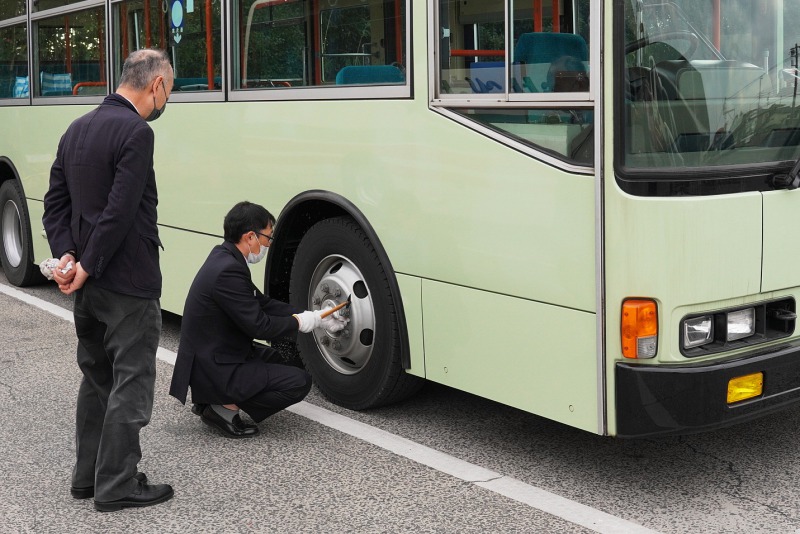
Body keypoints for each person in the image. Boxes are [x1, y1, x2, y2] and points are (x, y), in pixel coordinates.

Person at [42, 48, 175, 512]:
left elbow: (54, 203)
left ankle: (87, 477)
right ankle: (117, 484)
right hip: (126, 280)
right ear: (155, 85)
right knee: (131, 381)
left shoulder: (77, 128)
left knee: (96, 376)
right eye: (169, 90)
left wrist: (69, 258)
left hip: (88, 283)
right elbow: (120, 211)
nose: (166, 100)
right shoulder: (136, 132)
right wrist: (90, 263)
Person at [169, 201, 347, 438]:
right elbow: (259, 325)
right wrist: (302, 323)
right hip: (214, 366)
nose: (269, 244)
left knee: (281, 362)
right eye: (268, 237)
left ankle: (213, 399)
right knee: (298, 381)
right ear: (250, 236)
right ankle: (222, 406)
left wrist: (316, 315)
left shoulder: (225, 257)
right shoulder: (228, 271)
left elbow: (262, 303)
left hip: (218, 354)